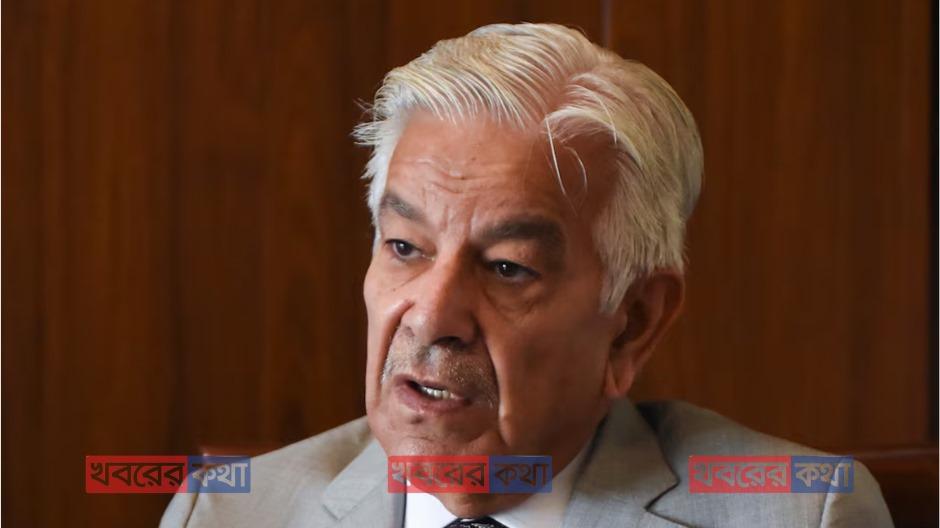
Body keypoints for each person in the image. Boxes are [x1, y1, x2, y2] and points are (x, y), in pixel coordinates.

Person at [161, 23, 893, 527]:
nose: (431, 317)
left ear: (632, 324)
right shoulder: (228, 514)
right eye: (405, 247)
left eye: (508, 268)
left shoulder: (800, 513)